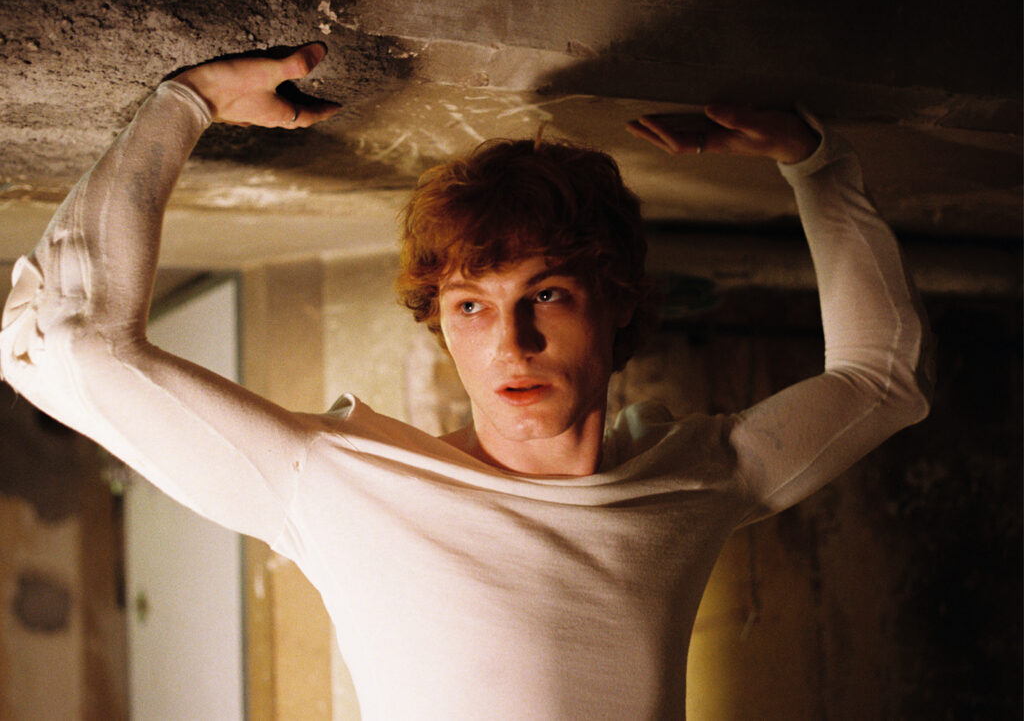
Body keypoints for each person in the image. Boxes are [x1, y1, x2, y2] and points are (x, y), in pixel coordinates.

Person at [0, 43, 933, 719]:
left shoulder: (693, 478)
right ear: (441, 325)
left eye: (547, 294)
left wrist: (815, 161)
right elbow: (67, 341)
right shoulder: (340, 482)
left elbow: (884, 377)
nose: (510, 343)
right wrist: (186, 100)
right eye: (471, 306)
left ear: (616, 302)